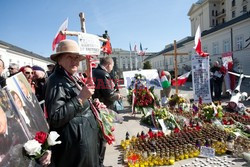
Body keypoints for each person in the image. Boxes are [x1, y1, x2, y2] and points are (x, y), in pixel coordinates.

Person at [45, 39, 101, 167]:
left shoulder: (71, 77)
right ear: (59, 59)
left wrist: (91, 102)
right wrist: (81, 98)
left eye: (76, 57)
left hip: (82, 143)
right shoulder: (56, 81)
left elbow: (79, 104)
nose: (75, 61)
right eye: (69, 57)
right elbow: (55, 117)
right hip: (74, 150)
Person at [92, 56, 122, 167]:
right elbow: (109, 94)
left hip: (95, 107)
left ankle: (98, 162)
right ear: (109, 64)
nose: (111, 68)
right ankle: (100, 164)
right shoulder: (104, 74)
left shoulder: (94, 71)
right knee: (103, 138)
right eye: (112, 66)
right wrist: (118, 96)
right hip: (103, 109)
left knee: (98, 139)